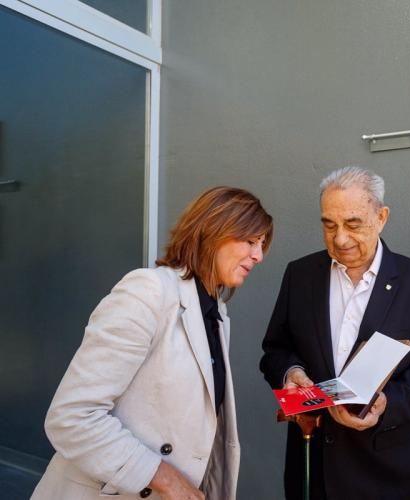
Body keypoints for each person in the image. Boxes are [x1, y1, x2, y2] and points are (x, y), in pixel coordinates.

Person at [31, 186, 273, 500]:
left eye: (262, 244)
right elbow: (72, 418)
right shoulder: (149, 291)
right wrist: (167, 479)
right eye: (251, 241)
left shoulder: (217, 314)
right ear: (214, 230)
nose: (259, 256)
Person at [260, 167, 410, 500]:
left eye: (353, 224)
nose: (340, 239)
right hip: (313, 466)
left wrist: (386, 404)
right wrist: (291, 372)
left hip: (386, 474)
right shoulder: (300, 275)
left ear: (381, 217)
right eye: (329, 225)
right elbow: (275, 350)